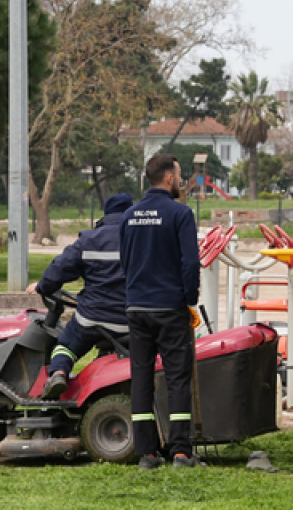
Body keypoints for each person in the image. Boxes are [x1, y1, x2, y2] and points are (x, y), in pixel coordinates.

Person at [120, 154, 201, 470]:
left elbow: (125, 262)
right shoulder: (180, 214)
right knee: (177, 377)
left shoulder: (129, 216)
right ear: (169, 178)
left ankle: (147, 453)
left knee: (140, 376)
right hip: (169, 307)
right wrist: (188, 298)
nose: (181, 180)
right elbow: (190, 262)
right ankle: (180, 450)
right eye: (179, 175)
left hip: (137, 308)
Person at [26, 193, 133, 400]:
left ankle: (58, 373)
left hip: (92, 319)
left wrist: (42, 286)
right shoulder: (142, 240)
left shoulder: (89, 240)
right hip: (131, 320)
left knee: (65, 346)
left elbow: (59, 269)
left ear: (106, 214)